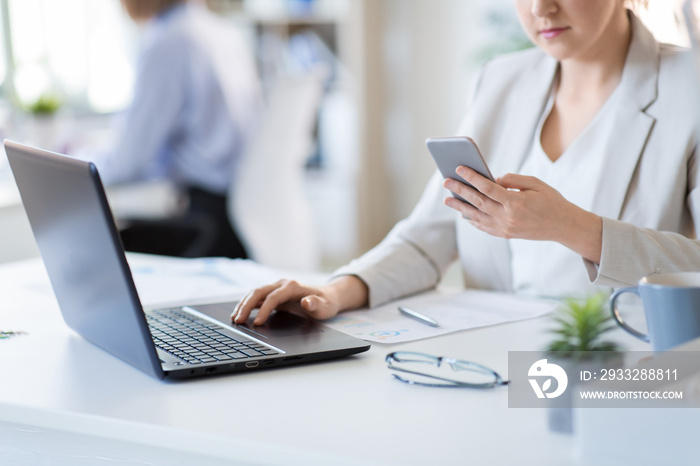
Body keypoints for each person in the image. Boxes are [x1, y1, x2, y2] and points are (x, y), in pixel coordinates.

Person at [233, 0, 700, 325]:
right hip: (497, 362)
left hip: (625, 371)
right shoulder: (502, 80)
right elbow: (430, 235)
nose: (540, 8)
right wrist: (333, 293)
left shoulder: (689, 89)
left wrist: (572, 226)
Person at [89, 0, 262, 258]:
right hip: (243, 217)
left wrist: (82, 163)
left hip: (207, 225)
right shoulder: (225, 32)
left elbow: (128, 163)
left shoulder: (168, 41)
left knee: (100, 246)